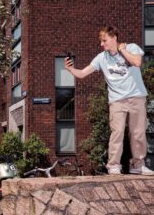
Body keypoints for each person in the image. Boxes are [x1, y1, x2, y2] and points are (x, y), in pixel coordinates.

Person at [65, 26, 154, 175]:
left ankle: (138, 165)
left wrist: (123, 50)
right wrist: (70, 69)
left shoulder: (131, 47)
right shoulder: (101, 58)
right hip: (117, 101)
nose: (101, 44)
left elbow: (137, 62)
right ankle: (113, 165)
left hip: (136, 97)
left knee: (137, 133)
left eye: (104, 40)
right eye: (101, 41)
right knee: (117, 132)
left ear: (114, 38)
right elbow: (82, 74)